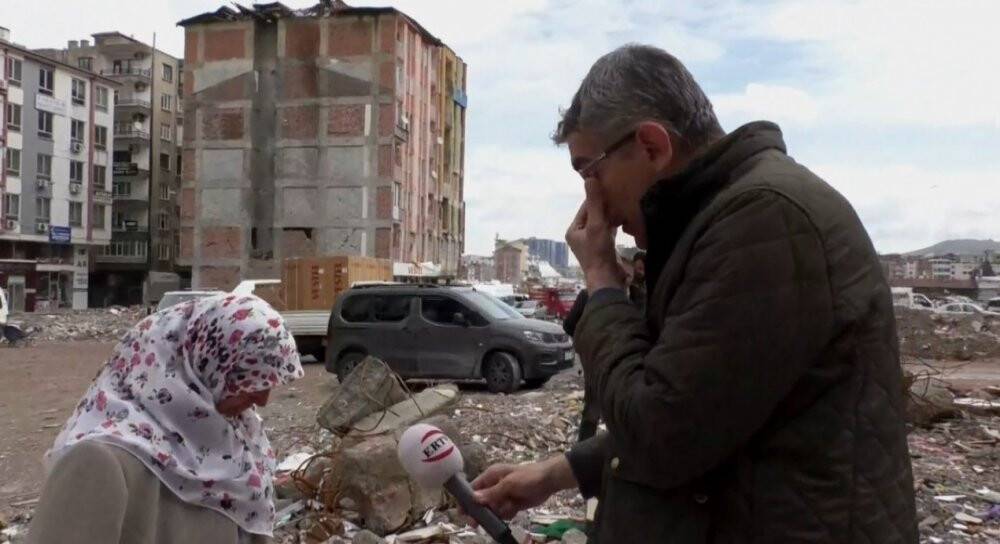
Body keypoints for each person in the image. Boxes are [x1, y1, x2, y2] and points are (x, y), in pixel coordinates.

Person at [473, 44, 916, 542]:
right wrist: (559, 472)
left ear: (651, 147)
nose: (591, 198)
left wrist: (601, 281)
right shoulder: (720, 222)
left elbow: (661, 435)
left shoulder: (763, 221)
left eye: (589, 170)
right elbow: (710, 410)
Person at [28, 294, 304, 544]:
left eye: (268, 381)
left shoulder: (242, 451)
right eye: (247, 377)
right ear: (200, 365)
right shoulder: (101, 462)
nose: (262, 399)